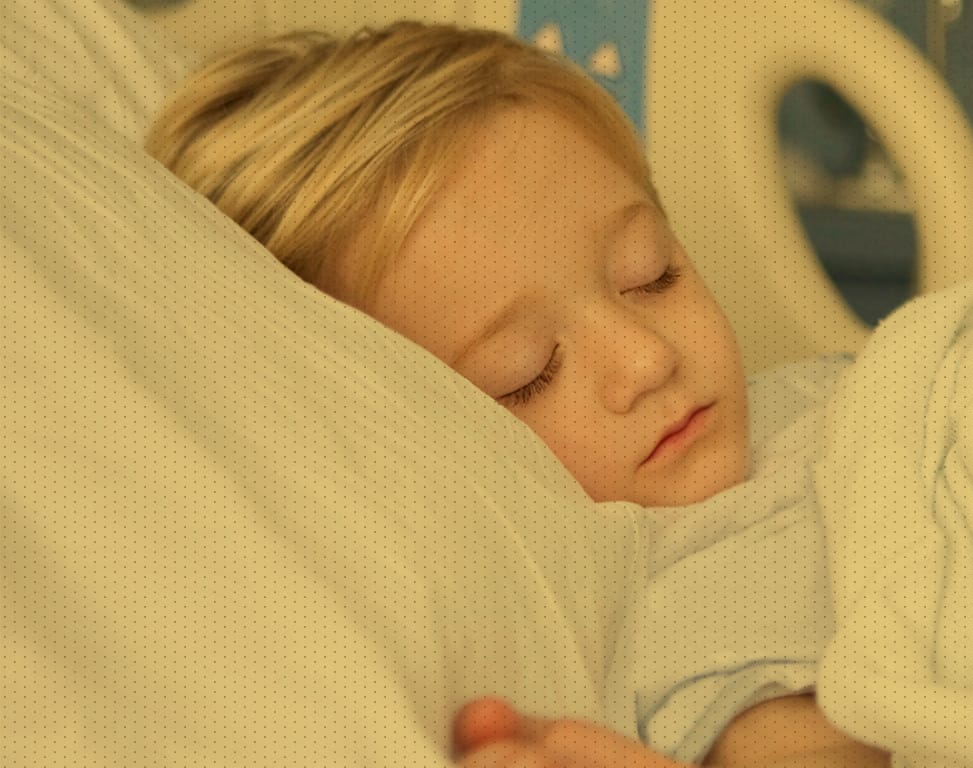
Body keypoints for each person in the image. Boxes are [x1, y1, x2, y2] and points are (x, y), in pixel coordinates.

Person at [146, 22, 882, 768]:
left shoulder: (864, 394)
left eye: (649, 272)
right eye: (526, 373)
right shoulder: (667, 592)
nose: (649, 357)